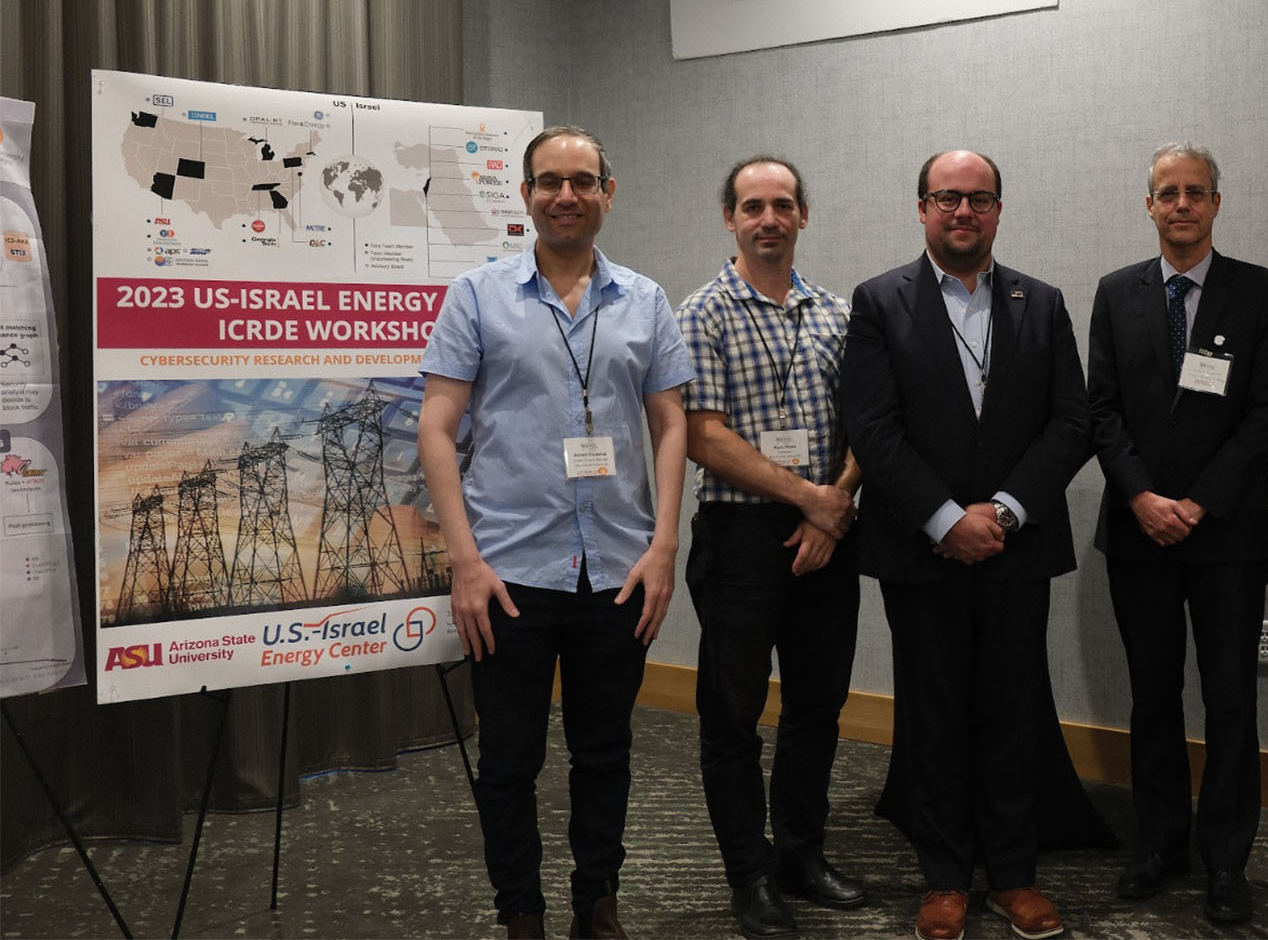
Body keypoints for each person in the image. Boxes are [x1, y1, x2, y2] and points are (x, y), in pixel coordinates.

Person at [418, 126, 692, 940]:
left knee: (605, 752)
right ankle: (521, 912)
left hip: (619, 566)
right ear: (526, 195)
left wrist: (665, 543)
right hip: (508, 571)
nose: (565, 196)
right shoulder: (477, 295)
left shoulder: (644, 300)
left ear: (609, 191)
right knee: (509, 762)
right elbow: (437, 428)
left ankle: (596, 901)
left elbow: (670, 425)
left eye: (581, 181)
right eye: (549, 182)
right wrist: (462, 560)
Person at [839, 149, 1091, 940]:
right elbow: (871, 427)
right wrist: (947, 518)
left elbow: (1071, 422)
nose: (962, 212)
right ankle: (945, 876)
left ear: (998, 211)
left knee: (1014, 711)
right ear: (922, 208)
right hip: (923, 549)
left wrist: (1005, 512)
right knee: (935, 712)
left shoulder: (1041, 302)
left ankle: (1014, 875)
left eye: (978, 199)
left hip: (1017, 547)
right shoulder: (880, 301)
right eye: (947, 198)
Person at [1086, 142, 1268, 924]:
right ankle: (1161, 844)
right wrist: (1140, 496)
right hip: (1139, 533)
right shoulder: (1114, 293)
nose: (1180, 205)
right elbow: (1100, 410)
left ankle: (1225, 859)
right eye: (1166, 193)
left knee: (1231, 699)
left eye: (1194, 193)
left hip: (1225, 533)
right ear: (1149, 205)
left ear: (1216, 203)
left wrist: (1197, 502)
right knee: (1152, 696)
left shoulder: (1260, 293)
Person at [676, 156, 865, 938]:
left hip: (831, 531)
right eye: (752, 205)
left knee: (818, 706)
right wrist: (810, 499)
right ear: (730, 218)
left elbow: (869, 425)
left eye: (782, 204)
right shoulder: (701, 313)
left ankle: (801, 853)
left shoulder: (839, 314)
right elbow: (703, 438)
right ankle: (748, 877)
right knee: (733, 715)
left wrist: (836, 504)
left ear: (803, 216)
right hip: (742, 536)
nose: (768, 218)